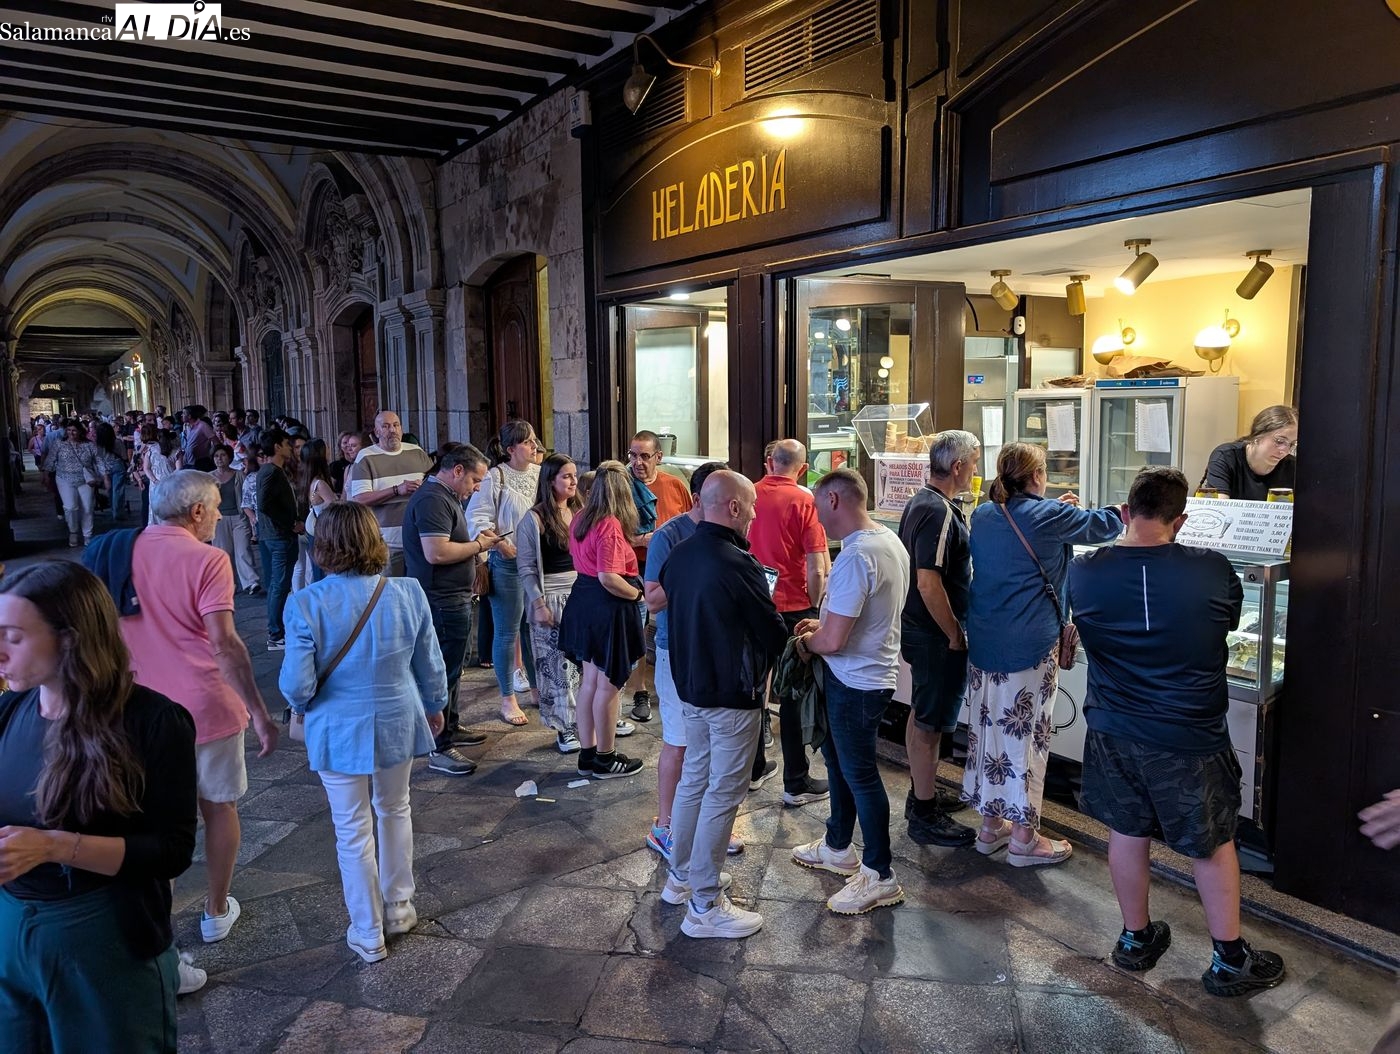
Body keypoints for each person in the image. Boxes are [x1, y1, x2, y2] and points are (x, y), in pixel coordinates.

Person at [1069, 466, 1286, 996]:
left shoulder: (1085, 570)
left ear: (1126, 511)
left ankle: (1135, 939)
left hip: (1113, 727)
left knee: (1127, 829)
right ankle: (1229, 960)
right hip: (1188, 732)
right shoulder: (1211, 567)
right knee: (1211, 841)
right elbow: (1228, 622)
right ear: (1181, 519)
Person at [0, 561, 199, 1048]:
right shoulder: (10, 710)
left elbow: (170, 851)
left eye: (14, 637)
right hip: (11, 930)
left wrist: (53, 846)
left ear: (69, 640)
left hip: (103, 936)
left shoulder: (152, 721)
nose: (0, 651)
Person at [115, 471, 280, 953]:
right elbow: (224, 643)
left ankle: (160, 923)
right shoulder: (208, 559)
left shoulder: (121, 551)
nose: (217, 517)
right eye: (215, 508)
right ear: (197, 512)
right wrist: (259, 710)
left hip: (139, 709)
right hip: (205, 705)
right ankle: (215, 909)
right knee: (219, 806)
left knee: (155, 821)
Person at [279, 503, 449, 964]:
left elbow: (297, 684)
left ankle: (368, 929)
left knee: (350, 828)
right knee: (395, 808)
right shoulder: (408, 592)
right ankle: (400, 907)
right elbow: (430, 662)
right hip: (398, 716)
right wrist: (435, 706)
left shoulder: (306, 603)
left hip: (337, 727)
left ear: (323, 546)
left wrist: (301, 707)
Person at [963, 442, 1123, 864]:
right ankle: (1023, 839)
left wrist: (1058, 510)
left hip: (984, 642)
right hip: (1030, 645)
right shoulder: (1049, 515)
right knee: (1027, 738)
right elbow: (1107, 525)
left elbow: (1032, 526)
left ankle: (990, 827)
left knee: (989, 734)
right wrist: (1082, 510)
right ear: (1037, 476)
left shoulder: (984, 513)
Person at [656, 471, 785, 939]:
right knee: (723, 793)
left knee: (695, 781)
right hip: (731, 692)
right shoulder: (738, 562)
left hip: (691, 688)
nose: (753, 514)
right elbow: (771, 630)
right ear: (732, 507)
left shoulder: (680, 552)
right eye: (750, 506)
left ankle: (681, 878)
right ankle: (705, 905)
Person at [790, 469, 911, 915]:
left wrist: (807, 643)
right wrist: (823, 624)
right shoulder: (887, 540)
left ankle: (880, 875)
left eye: (817, 505)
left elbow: (834, 641)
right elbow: (859, 618)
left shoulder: (858, 555)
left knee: (859, 773)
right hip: (866, 675)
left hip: (857, 682)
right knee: (840, 763)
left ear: (835, 501)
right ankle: (838, 845)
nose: (816, 515)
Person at [643, 461, 744, 858]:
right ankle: (665, 827)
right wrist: (697, 577)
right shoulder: (669, 536)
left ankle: (708, 825)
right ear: (700, 499)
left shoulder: (733, 533)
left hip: (720, 649)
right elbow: (652, 600)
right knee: (680, 742)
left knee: (714, 745)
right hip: (677, 649)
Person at [896, 429, 981, 847]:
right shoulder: (939, 511)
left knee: (922, 713)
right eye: (975, 463)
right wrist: (955, 634)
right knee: (930, 724)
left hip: (920, 630)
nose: (976, 472)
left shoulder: (922, 501)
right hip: (935, 635)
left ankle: (922, 792)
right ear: (958, 466)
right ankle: (924, 814)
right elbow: (928, 582)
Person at [402, 443, 500, 775]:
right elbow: (437, 553)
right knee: (441, 671)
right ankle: (440, 745)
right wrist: (479, 545)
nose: (476, 488)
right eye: (475, 480)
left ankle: (451, 726)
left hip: (451, 596)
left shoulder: (445, 496)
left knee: (453, 668)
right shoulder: (433, 499)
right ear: (457, 470)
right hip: (441, 598)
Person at [747, 438, 831, 808]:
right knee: (793, 694)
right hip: (794, 607)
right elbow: (817, 565)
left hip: (754, 604)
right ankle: (796, 781)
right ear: (803, 467)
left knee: (754, 687)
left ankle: (752, 769)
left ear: (770, 462)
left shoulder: (749, 492)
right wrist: (816, 606)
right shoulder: (805, 500)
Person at [558, 462, 646, 779]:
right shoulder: (609, 523)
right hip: (607, 605)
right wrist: (637, 595)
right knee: (608, 686)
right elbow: (609, 577)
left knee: (591, 682)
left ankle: (589, 754)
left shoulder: (581, 516)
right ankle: (606, 758)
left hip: (583, 599)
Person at [466, 421, 543, 727]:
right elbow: (476, 518)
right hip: (508, 562)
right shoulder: (495, 477)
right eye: (527, 442)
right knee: (507, 631)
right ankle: (507, 697)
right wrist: (499, 544)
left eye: (534, 440)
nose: (534, 446)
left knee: (533, 628)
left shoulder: (540, 474)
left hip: (537, 562)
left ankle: (536, 688)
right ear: (511, 449)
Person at [623, 430, 694, 722]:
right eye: (633, 455)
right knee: (638, 629)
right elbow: (610, 532)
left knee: (674, 624)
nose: (637, 462)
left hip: (674, 568)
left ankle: (681, 682)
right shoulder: (622, 488)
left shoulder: (674, 485)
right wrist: (643, 540)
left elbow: (691, 521)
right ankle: (640, 691)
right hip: (635, 567)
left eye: (644, 456)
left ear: (659, 457)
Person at [517, 452, 584, 754]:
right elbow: (527, 567)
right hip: (552, 595)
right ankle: (563, 726)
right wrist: (538, 603)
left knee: (585, 665)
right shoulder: (534, 518)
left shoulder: (580, 510)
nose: (573, 481)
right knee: (557, 666)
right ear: (550, 480)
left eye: (574, 475)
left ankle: (588, 719)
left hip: (581, 593)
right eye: (566, 476)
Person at [345, 411, 435, 577]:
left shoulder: (416, 452)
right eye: (386, 426)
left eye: (396, 425)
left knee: (417, 588)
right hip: (386, 542)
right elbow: (360, 499)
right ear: (377, 432)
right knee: (388, 588)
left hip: (419, 539)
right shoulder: (365, 457)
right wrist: (396, 490)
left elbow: (434, 484)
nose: (392, 430)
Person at [256, 429, 301, 651]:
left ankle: (277, 631)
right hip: (278, 536)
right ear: (276, 447)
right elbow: (265, 504)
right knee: (279, 585)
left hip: (275, 535)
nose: (290, 448)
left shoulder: (272, 471)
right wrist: (291, 523)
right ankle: (275, 634)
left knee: (278, 585)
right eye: (286, 443)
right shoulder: (271, 472)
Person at [1201, 405, 1298, 501]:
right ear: (1258, 435)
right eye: (1279, 441)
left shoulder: (1294, 467)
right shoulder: (1226, 456)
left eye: (1292, 444)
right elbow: (1220, 507)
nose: (1285, 451)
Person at [42, 419, 100, 547]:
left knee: (87, 507)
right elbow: (50, 459)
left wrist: (104, 476)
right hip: (65, 479)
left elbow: (98, 460)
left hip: (85, 480)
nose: (71, 433)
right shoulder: (59, 444)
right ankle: (73, 531)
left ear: (80, 431)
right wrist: (46, 474)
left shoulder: (89, 445)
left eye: (74, 430)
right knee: (70, 507)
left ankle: (87, 535)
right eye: (69, 430)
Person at [211, 444, 260, 594]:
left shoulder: (239, 475)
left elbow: (247, 495)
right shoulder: (208, 478)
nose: (219, 459)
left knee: (243, 549)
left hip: (239, 517)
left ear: (229, 457)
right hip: (218, 519)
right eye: (216, 456)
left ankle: (251, 582)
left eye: (223, 455)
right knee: (223, 553)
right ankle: (228, 584)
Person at [293, 438, 336, 591]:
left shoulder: (310, 481)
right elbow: (336, 506)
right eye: (327, 448)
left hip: (316, 532)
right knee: (324, 573)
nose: (329, 451)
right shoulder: (320, 484)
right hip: (323, 533)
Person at [93, 421, 130, 523]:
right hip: (118, 465)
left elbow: (98, 460)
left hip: (104, 468)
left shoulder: (97, 445)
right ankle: (118, 512)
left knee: (110, 490)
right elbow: (124, 456)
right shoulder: (117, 442)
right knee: (118, 490)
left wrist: (104, 475)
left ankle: (114, 510)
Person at [330, 430, 371, 496]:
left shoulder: (370, 466)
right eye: (347, 444)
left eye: (353, 445)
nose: (349, 449)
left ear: (363, 447)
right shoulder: (348, 468)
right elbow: (344, 495)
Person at [181, 405, 216, 472]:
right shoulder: (188, 427)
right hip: (190, 462)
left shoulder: (203, 425)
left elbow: (215, 441)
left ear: (189, 416)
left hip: (201, 462)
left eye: (184, 413)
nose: (182, 415)